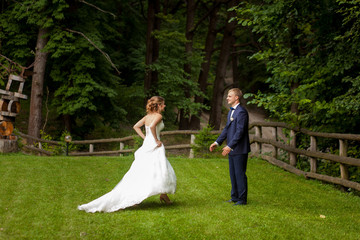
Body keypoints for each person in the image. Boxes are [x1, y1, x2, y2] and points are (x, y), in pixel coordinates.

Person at [78, 96, 176, 213]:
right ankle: (141, 196)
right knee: (159, 168)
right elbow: (153, 126)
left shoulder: (147, 116)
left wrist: (146, 138)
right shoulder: (158, 116)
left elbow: (136, 126)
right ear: (159, 105)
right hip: (154, 144)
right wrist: (155, 140)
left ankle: (163, 195)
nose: (165, 106)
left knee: (151, 169)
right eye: (163, 104)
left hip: (147, 144)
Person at [209, 88, 250, 206]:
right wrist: (217, 142)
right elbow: (227, 129)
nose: (227, 98)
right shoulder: (231, 111)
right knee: (233, 174)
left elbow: (240, 132)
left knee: (240, 174)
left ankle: (242, 199)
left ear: (236, 98)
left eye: (229, 96)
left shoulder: (241, 112)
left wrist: (230, 146)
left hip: (240, 148)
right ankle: (235, 197)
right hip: (232, 148)